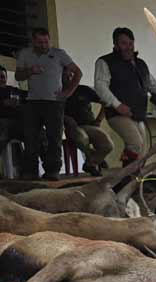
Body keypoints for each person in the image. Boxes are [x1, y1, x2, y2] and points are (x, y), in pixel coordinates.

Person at [95, 27, 156, 165]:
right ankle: (125, 177)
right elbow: (100, 86)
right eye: (124, 43)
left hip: (138, 113)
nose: (128, 47)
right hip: (117, 113)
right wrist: (117, 105)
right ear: (115, 44)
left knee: (141, 150)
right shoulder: (104, 62)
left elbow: (152, 84)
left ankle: (135, 180)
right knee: (135, 143)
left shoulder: (141, 64)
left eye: (131, 43)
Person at [15, 27, 81, 180]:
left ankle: (52, 171)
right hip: (32, 102)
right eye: (40, 42)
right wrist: (30, 71)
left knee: (54, 137)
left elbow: (78, 72)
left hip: (54, 103)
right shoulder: (25, 54)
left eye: (46, 41)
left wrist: (68, 93)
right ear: (33, 41)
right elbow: (18, 76)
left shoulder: (59, 54)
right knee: (31, 137)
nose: (44, 45)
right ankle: (30, 171)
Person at [63, 83, 113, 176]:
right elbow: (53, 112)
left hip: (90, 125)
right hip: (72, 128)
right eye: (64, 73)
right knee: (82, 137)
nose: (68, 76)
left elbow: (106, 103)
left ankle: (90, 163)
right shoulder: (58, 91)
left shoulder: (83, 89)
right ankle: (95, 160)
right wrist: (65, 118)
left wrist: (98, 120)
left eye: (71, 73)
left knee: (108, 145)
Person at [0, 65, 25, 156]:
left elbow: (27, 101)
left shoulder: (14, 90)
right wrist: (3, 103)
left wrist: (19, 105)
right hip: (2, 123)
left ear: (6, 78)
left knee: (37, 132)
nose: (0, 79)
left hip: (18, 123)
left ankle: (30, 167)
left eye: (2, 77)